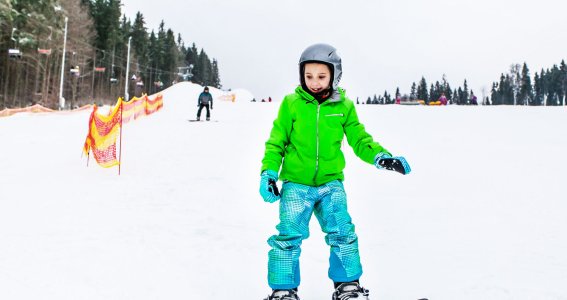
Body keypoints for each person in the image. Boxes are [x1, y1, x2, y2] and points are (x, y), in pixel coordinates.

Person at [259, 43, 411, 300]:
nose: (314, 82)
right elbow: (276, 143)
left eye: (321, 76)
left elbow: (360, 139)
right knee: (287, 236)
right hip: (296, 185)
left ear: (334, 75)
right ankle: (283, 290)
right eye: (308, 76)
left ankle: (348, 286)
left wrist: (380, 156)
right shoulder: (291, 104)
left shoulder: (344, 106)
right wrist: (269, 173)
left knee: (342, 232)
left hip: (331, 184)